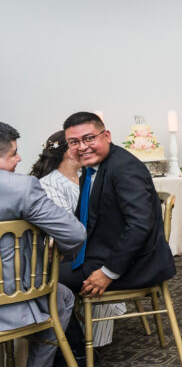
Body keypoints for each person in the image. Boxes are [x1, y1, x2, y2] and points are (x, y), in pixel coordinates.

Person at [0, 122, 85, 367]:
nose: (19, 158)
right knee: (61, 295)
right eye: (13, 154)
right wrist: (56, 256)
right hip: (14, 296)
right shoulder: (21, 187)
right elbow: (74, 233)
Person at [58, 111, 176, 301]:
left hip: (134, 265)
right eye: (74, 142)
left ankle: (64, 322)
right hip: (101, 252)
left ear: (106, 136)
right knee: (41, 271)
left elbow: (139, 225)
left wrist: (108, 272)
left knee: (41, 281)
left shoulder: (125, 168)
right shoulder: (92, 168)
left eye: (89, 138)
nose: (82, 147)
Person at [30, 131, 125, 355]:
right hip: (69, 252)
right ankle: (83, 347)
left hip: (99, 249)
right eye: (76, 144)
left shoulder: (88, 176)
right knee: (80, 274)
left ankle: (88, 346)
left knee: (96, 267)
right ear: (67, 152)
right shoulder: (50, 184)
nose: (85, 148)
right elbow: (65, 232)